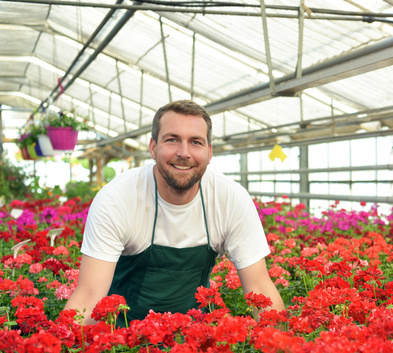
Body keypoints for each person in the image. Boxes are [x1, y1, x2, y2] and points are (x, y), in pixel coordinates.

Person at [64, 100, 284, 326]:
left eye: (195, 142)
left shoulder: (230, 199)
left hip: (194, 339)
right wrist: (63, 349)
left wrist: (282, 345)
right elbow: (90, 295)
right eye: (172, 140)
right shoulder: (117, 198)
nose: (184, 153)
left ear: (209, 153)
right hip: (121, 340)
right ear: (153, 147)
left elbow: (259, 286)